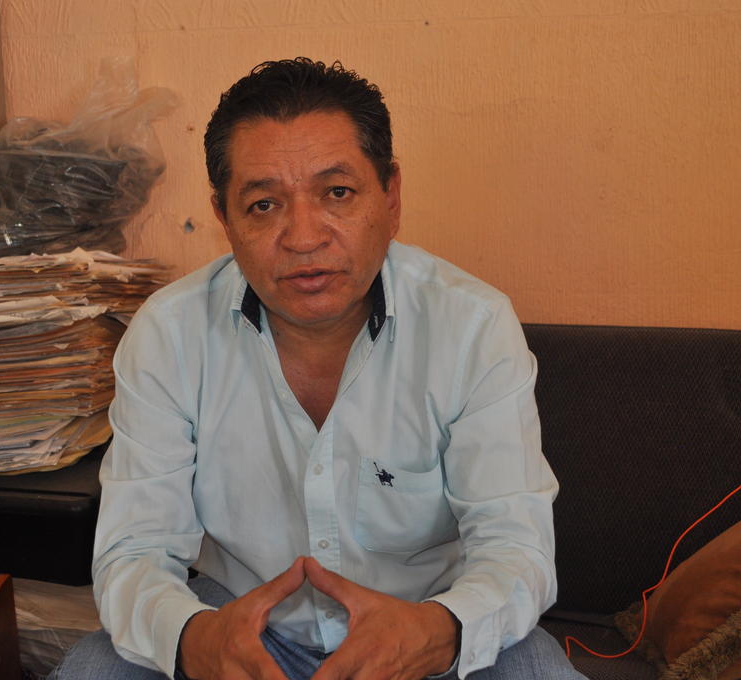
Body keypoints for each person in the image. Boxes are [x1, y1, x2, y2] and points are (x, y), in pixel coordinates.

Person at [51, 58, 585, 680]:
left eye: (337, 193)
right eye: (264, 204)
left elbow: (515, 547)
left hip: (421, 622)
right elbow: (135, 549)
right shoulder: (168, 335)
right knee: (96, 669)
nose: (304, 237)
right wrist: (197, 639)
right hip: (242, 622)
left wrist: (439, 631)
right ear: (224, 219)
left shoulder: (471, 326)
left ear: (391, 196)